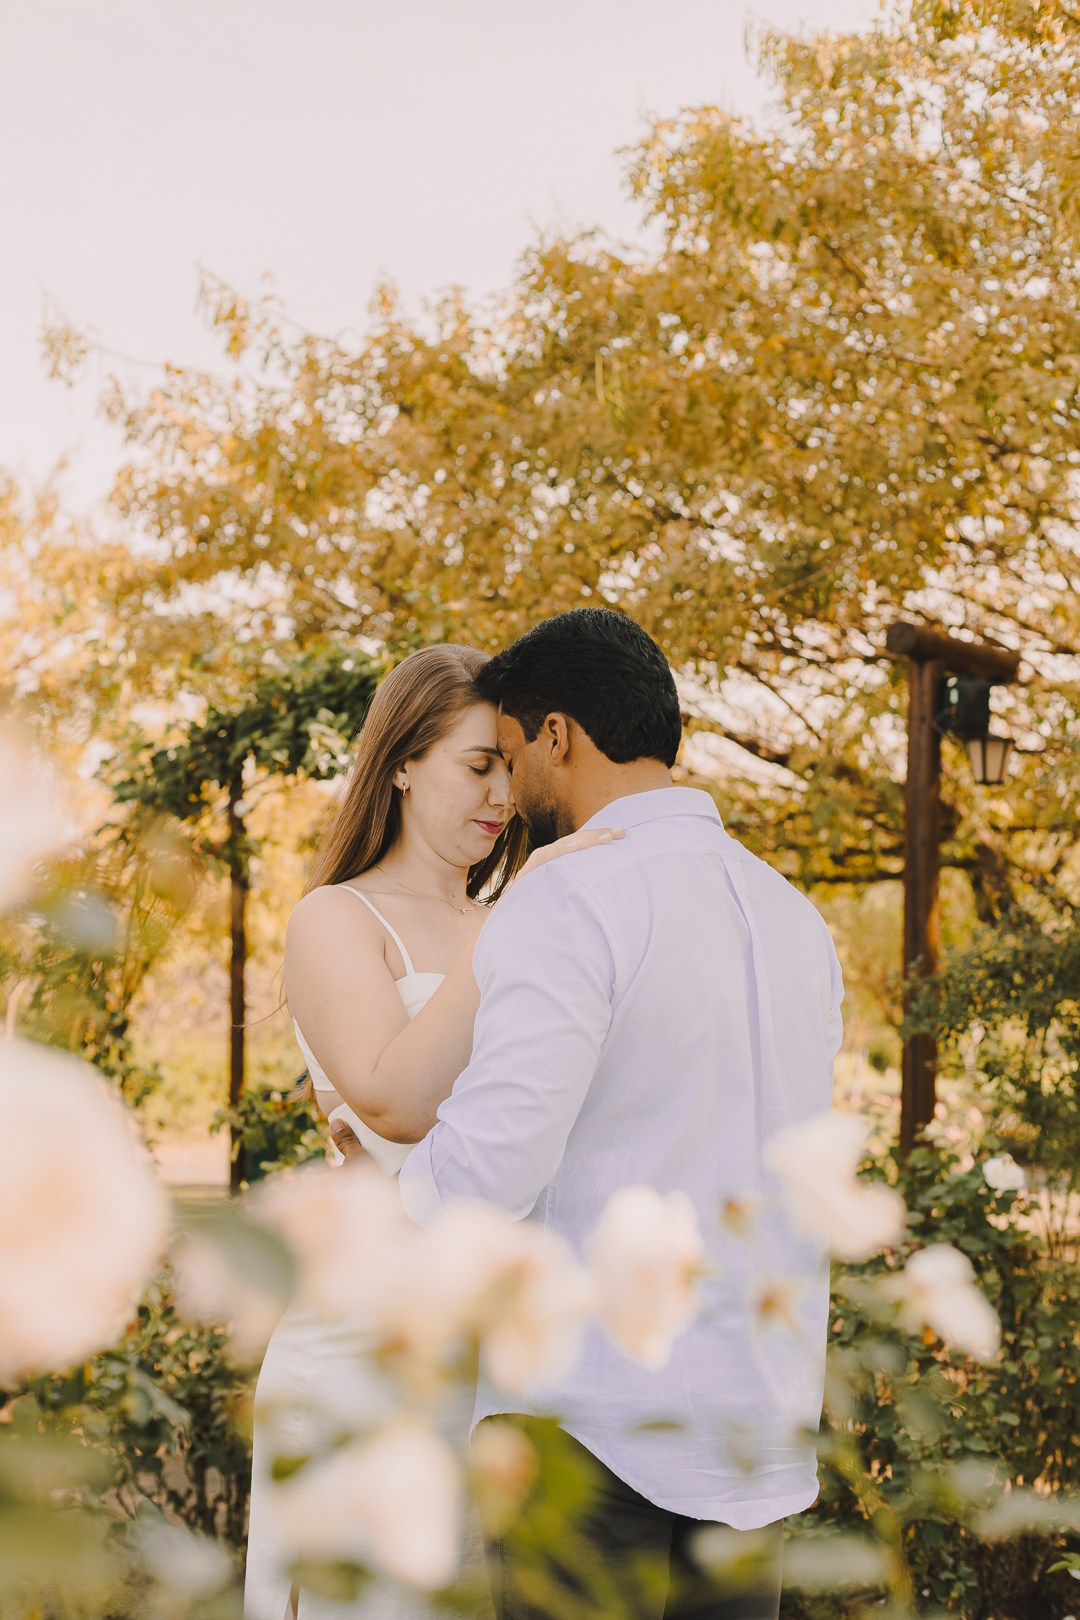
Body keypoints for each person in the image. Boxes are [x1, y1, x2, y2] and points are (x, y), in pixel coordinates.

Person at [393, 608, 845, 1620]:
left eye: (509, 757)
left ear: (557, 734)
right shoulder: (795, 918)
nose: (508, 793)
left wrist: (380, 1204)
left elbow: (493, 1165)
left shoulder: (572, 899)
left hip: (594, 1422)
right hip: (755, 1422)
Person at [243, 643, 622, 1620]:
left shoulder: (519, 913)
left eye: (511, 763)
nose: (503, 793)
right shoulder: (337, 918)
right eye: (476, 765)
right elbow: (394, 1102)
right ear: (404, 762)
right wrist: (525, 915)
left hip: (498, 1359)